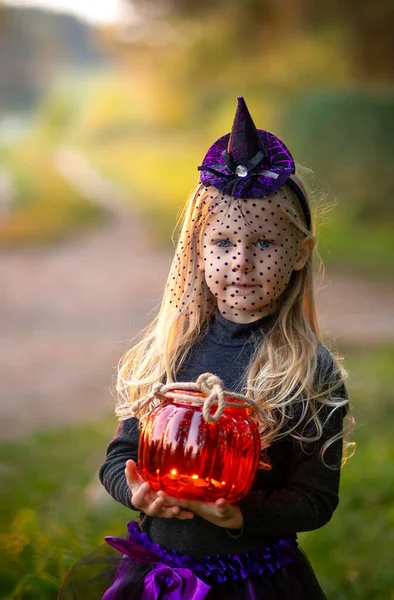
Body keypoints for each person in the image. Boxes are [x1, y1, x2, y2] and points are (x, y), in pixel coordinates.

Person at [59, 96, 353, 600]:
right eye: (222, 244)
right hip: (162, 576)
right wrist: (136, 492)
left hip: (252, 582)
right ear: (197, 249)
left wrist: (241, 514)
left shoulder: (307, 371)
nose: (240, 262)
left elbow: (314, 499)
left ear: (300, 252)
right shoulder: (173, 352)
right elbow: (120, 456)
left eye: (264, 244)